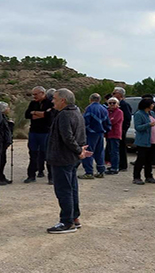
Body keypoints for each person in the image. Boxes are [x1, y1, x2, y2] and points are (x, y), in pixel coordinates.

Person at [46, 88, 92, 233]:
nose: (52, 101)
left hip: (62, 158)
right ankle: (74, 218)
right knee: (72, 189)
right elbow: (81, 136)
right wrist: (80, 151)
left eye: (54, 98)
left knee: (64, 190)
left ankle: (67, 222)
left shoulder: (64, 115)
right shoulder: (77, 113)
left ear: (62, 100)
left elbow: (68, 137)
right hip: (71, 158)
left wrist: (79, 151)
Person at [24, 86, 53, 183]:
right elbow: (27, 114)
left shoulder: (50, 103)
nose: (34, 96)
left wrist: (35, 113)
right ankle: (31, 175)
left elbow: (50, 116)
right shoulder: (33, 103)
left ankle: (51, 177)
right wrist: (42, 113)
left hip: (46, 132)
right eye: (33, 94)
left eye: (36, 94)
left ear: (42, 93)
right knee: (33, 154)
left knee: (47, 154)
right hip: (34, 132)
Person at [80, 93, 111, 179]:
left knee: (88, 152)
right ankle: (101, 171)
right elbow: (108, 123)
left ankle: (89, 172)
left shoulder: (89, 108)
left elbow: (85, 121)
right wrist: (106, 130)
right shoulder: (104, 109)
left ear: (90, 99)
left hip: (90, 133)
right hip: (100, 133)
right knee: (99, 152)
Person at [132, 99, 155, 185]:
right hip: (143, 141)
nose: (153, 106)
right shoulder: (139, 114)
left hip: (153, 140)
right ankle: (136, 177)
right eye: (152, 104)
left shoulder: (152, 113)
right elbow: (138, 127)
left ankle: (149, 176)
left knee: (149, 160)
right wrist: (148, 125)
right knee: (141, 159)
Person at [0, 101, 14, 185]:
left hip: (4, 142)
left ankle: (1, 176)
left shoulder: (4, 117)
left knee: (3, 160)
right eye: (7, 107)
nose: (8, 109)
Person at [113, 87, 132, 172]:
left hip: (121, 130)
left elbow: (127, 118)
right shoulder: (116, 104)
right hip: (116, 130)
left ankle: (123, 165)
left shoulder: (124, 105)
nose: (112, 95)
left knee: (121, 147)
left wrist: (124, 129)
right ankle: (117, 163)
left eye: (114, 93)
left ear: (120, 94)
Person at [105, 97, 124, 175]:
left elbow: (112, 121)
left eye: (114, 103)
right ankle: (113, 165)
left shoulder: (119, 112)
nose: (112, 104)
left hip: (115, 134)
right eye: (110, 103)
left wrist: (106, 122)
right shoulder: (108, 112)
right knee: (110, 151)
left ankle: (115, 167)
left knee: (114, 151)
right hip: (108, 134)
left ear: (117, 104)